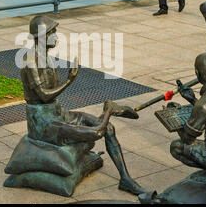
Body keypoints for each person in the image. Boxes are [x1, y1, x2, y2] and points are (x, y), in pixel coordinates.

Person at [19, 15, 148, 195]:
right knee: (97, 132)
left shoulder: (47, 57)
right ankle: (109, 109)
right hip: (43, 123)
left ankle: (125, 178)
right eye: (52, 32)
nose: (56, 36)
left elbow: (51, 96)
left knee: (108, 128)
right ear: (42, 36)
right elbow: (44, 95)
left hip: (56, 112)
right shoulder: (30, 60)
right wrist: (70, 80)